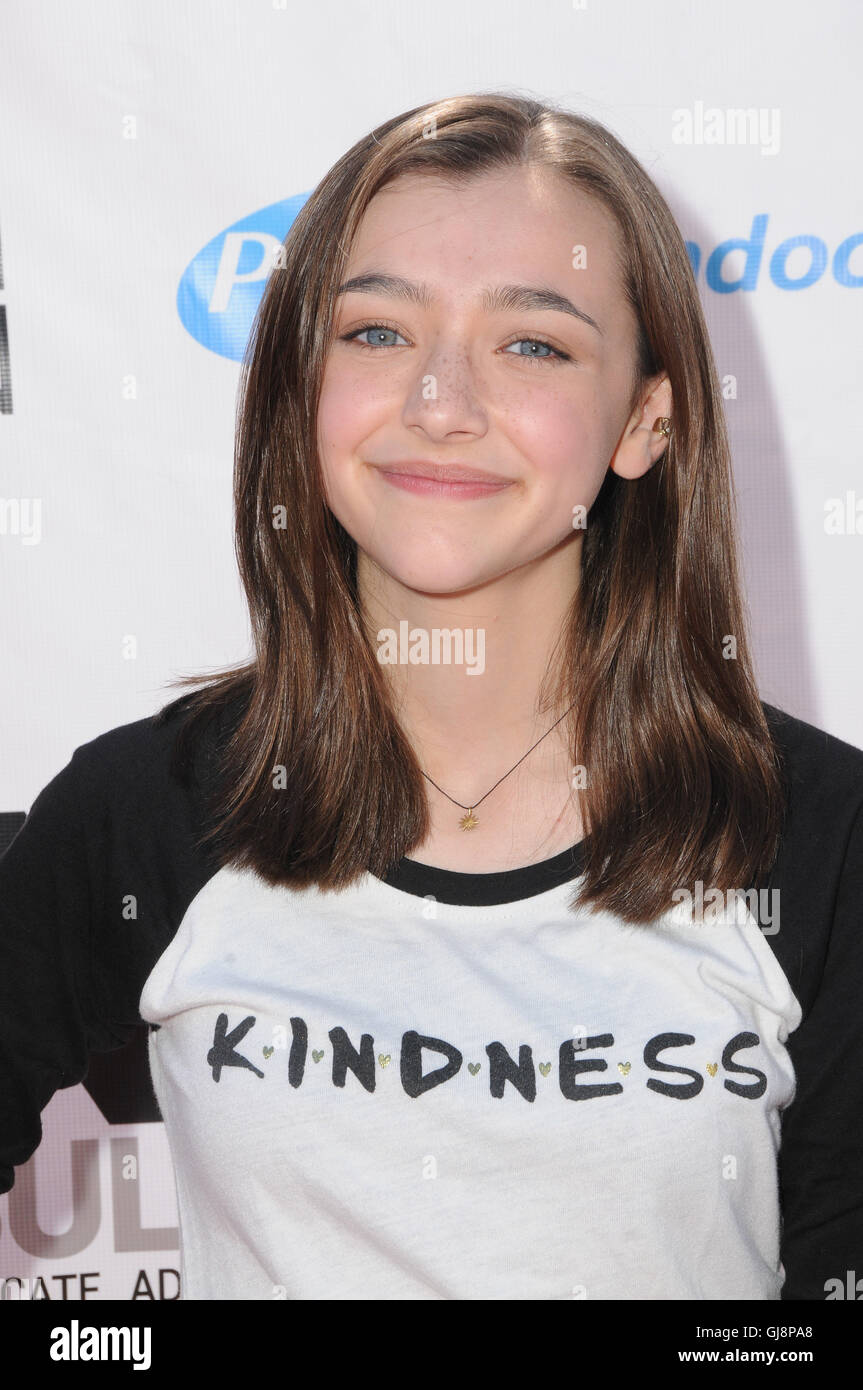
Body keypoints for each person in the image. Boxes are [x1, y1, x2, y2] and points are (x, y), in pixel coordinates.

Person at [1, 92, 862, 1302]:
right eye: (374, 333)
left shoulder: (818, 835)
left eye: (531, 344)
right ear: (302, 386)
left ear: (645, 419)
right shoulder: (152, 807)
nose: (439, 404)